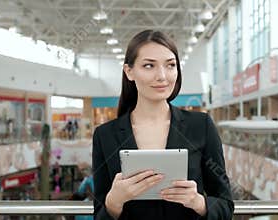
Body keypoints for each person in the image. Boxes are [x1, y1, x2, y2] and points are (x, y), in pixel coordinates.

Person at [92, 30, 234, 220]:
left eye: (170, 65)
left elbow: (225, 205)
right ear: (129, 72)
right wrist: (113, 202)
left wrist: (199, 202)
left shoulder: (201, 126)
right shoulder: (105, 135)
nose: (162, 76)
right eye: (149, 65)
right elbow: (99, 214)